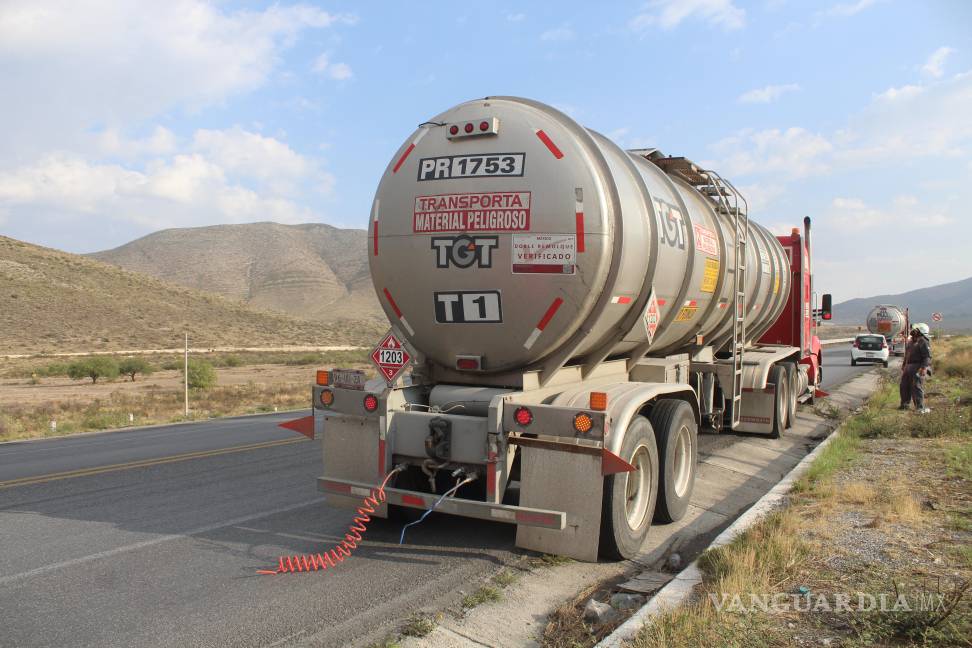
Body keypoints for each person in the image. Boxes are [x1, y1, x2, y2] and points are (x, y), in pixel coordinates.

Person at [899, 322, 932, 413]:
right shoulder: (911, 342)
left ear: (920, 331)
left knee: (916, 386)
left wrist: (924, 368)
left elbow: (927, 356)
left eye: (915, 329)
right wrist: (904, 366)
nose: (912, 331)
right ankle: (904, 404)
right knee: (904, 386)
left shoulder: (923, 341)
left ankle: (919, 407)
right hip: (909, 366)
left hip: (919, 366)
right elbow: (907, 355)